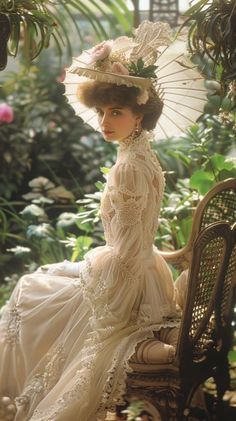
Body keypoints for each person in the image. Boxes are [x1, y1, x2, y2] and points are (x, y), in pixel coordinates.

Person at [0, 21, 206, 421]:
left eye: (116, 112)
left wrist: (92, 282)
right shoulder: (140, 154)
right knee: (39, 283)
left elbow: (126, 252)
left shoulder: (129, 167)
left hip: (124, 283)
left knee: (29, 293)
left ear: (139, 115)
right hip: (143, 271)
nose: (104, 121)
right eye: (101, 111)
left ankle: (12, 398)